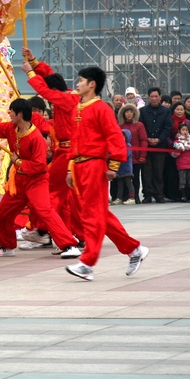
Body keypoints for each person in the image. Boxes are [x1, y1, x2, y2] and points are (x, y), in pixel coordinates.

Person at [0, 98, 80, 259]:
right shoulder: (11, 128)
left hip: (36, 181)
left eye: (11, 111)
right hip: (19, 182)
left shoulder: (36, 138)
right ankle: (7, 246)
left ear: (20, 114)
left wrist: (18, 161)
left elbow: (39, 166)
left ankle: (69, 245)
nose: (9, 114)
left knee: (45, 211)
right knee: (3, 213)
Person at [64, 66, 148, 281]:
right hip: (80, 167)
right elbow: (75, 141)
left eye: (81, 80)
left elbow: (116, 138)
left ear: (92, 84)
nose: (77, 84)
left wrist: (113, 166)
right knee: (99, 215)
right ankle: (134, 249)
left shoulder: (101, 109)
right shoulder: (77, 109)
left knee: (92, 216)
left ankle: (87, 263)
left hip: (95, 166)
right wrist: (70, 167)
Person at [21, 51, 83, 257]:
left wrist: (31, 74)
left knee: (49, 193)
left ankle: (42, 230)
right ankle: (64, 237)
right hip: (65, 152)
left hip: (67, 153)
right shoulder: (67, 96)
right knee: (64, 198)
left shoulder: (65, 99)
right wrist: (34, 61)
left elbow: (46, 90)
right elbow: (50, 78)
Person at [139, 87, 172, 203]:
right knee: (146, 172)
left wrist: (159, 139)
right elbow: (141, 127)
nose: (154, 99)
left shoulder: (166, 111)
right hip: (146, 146)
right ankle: (147, 194)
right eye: (151, 97)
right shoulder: (142, 111)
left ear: (160, 97)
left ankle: (158, 194)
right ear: (148, 98)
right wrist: (147, 139)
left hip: (160, 146)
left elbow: (167, 127)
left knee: (158, 171)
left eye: (156, 96)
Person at [118, 103, 147, 204]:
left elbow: (143, 140)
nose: (129, 114)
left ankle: (135, 197)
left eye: (131, 112)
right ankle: (123, 197)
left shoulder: (139, 125)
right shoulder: (120, 125)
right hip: (123, 157)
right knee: (122, 177)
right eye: (127, 112)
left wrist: (142, 155)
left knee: (135, 177)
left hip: (135, 156)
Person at [172, 122, 190, 203]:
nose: (185, 131)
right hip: (182, 163)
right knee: (182, 181)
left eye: (186, 130)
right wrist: (177, 151)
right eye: (183, 130)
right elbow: (174, 154)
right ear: (179, 131)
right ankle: (183, 196)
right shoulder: (177, 141)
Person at [114, 129, 136, 205]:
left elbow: (125, 155)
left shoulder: (128, 145)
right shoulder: (118, 146)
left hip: (127, 169)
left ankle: (132, 198)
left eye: (124, 136)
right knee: (120, 184)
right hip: (120, 169)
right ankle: (119, 198)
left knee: (128, 183)